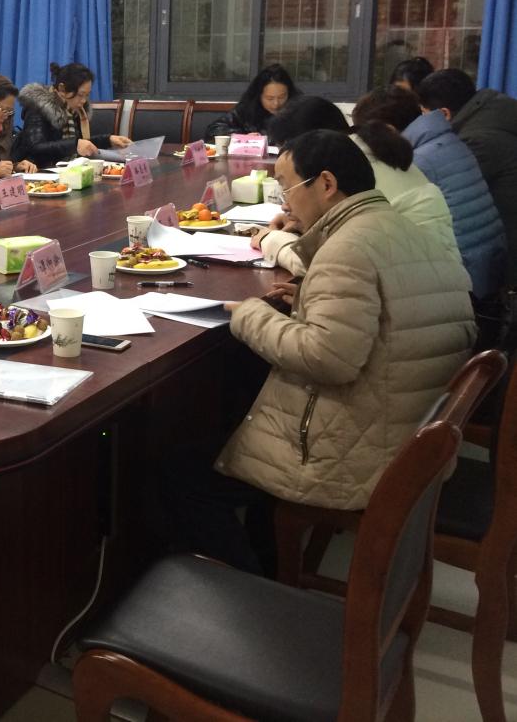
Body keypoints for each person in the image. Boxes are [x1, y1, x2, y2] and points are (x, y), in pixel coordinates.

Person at [164, 130, 475, 573]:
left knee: (180, 474)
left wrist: (251, 314)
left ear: (326, 184)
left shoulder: (346, 248)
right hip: (407, 429)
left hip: (362, 455)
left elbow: (327, 359)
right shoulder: (402, 227)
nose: (285, 203)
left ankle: (251, 591)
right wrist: (309, 300)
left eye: (287, 187)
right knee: (241, 390)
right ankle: (269, 552)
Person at [254, 95, 460, 277]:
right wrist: (302, 219)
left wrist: (272, 241)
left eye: (289, 150)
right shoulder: (366, 149)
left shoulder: (354, 168)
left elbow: (331, 267)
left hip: (420, 284)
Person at [353, 86, 505, 301]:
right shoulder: (447, 141)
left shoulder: (417, 161)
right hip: (490, 261)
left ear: (388, 130)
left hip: (464, 276)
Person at [416, 69, 517, 289]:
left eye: (424, 115)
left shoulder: (475, 141)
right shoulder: (497, 109)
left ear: (444, 114)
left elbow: (451, 195)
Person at [13, 62, 130, 169]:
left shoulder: (75, 110)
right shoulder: (38, 107)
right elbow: (35, 147)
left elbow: (82, 144)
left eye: (87, 95)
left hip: (66, 169)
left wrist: (108, 140)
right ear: (62, 89)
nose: (84, 101)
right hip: (39, 170)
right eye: (80, 95)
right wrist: (75, 145)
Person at [204, 63, 300, 139]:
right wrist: (242, 137)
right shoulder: (247, 109)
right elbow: (213, 130)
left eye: (282, 97)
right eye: (270, 98)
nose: (276, 104)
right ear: (259, 95)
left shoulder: (299, 109)